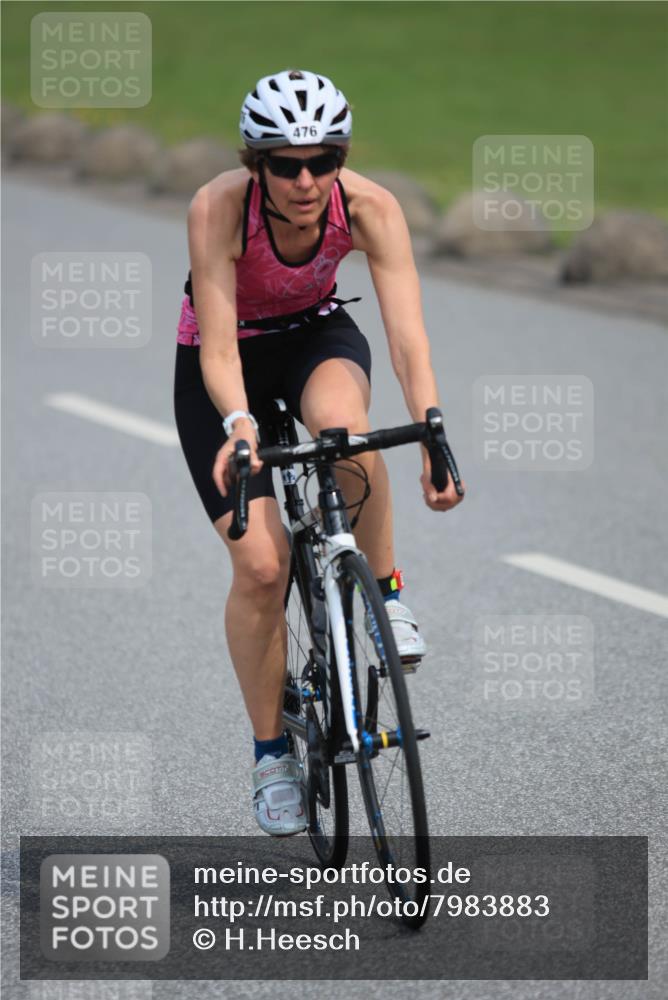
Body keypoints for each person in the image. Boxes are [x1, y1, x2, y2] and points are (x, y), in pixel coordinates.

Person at [174, 69, 464, 837]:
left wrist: (432, 430)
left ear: (342, 158)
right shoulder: (219, 209)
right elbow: (219, 347)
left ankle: (386, 597)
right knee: (262, 568)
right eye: (286, 165)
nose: (306, 181)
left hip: (314, 336)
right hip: (224, 361)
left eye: (323, 161)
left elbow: (407, 339)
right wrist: (240, 424)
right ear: (256, 164)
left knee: (345, 432)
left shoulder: (370, 207)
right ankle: (272, 757)